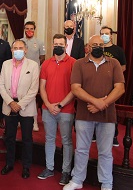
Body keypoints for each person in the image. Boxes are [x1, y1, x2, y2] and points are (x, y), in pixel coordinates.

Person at [63, 35, 125, 190]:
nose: (98, 47)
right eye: (94, 44)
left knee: (105, 152)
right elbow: (75, 88)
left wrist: (102, 104)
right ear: (88, 47)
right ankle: (77, 180)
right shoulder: (79, 64)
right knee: (82, 150)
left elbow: (120, 88)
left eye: (100, 44)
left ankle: (106, 182)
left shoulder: (114, 63)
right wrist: (96, 101)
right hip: (84, 115)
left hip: (107, 116)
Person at [37, 34, 76, 185]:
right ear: (52, 45)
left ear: (66, 46)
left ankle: (66, 171)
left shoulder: (73, 63)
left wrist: (60, 105)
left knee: (66, 141)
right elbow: (42, 86)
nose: (58, 46)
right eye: (55, 44)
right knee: (49, 139)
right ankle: (49, 167)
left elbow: (75, 89)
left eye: (61, 44)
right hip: (48, 109)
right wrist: (48, 103)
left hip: (66, 110)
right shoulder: (46, 63)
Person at [0, 39, 39, 179]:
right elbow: (1, 85)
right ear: (11, 50)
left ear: (26, 50)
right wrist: (11, 102)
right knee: (9, 137)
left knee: (27, 138)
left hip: (26, 107)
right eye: (15, 48)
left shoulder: (33, 65)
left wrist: (20, 104)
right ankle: (9, 163)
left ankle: (26, 166)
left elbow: (34, 89)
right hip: (9, 106)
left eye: (20, 48)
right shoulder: (5, 64)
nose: (18, 50)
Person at [98, 26, 127, 147]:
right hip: (98, 84)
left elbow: (123, 67)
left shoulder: (118, 50)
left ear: (111, 36)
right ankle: (95, 134)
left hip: (113, 84)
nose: (104, 35)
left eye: (106, 33)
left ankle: (113, 135)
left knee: (111, 109)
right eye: (102, 33)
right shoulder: (97, 49)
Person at [21, 21, 45, 131]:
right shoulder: (20, 41)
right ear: (24, 29)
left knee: (33, 97)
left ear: (34, 30)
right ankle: (20, 119)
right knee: (21, 95)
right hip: (21, 72)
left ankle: (34, 121)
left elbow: (42, 58)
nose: (29, 31)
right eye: (27, 28)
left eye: (31, 28)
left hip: (35, 73)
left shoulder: (39, 42)